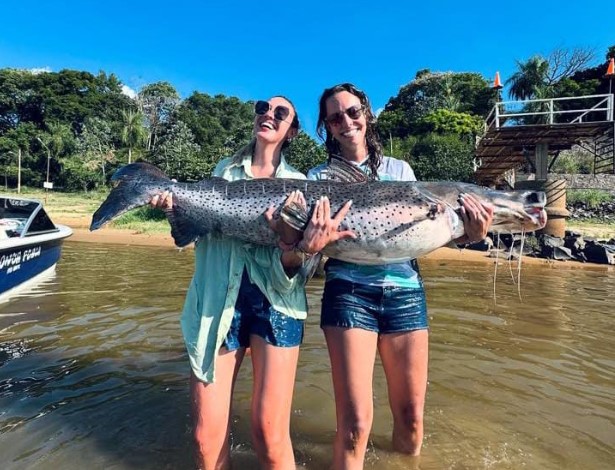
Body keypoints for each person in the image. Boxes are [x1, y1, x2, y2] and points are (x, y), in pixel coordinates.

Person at [294, 83, 494, 469]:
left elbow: (418, 238)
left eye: (353, 112)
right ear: (328, 128)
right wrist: (309, 243)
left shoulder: (401, 170)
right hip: (348, 293)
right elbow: (306, 246)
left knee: (412, 420)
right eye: (335, 118)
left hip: (405, 294)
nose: (346, 122)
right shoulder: (316, 177)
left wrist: (469, 235)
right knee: (354, 426)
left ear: (367, 114)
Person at [151, 96, 308, 470]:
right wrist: (173, 206)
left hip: (277, 302)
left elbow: (301, 268)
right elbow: (196, 234)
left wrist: (292, 242)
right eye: (263, 108)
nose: (268, 115)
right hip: (219, 299)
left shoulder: (302, 186)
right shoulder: (222, 172)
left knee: (270, 437)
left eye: (281, 113)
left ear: (292, 131)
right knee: (205, 438)